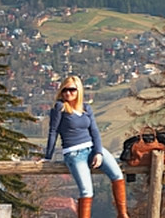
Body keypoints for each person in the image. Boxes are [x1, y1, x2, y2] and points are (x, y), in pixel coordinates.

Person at [43, 76, 131, 218]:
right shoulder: (60, 108)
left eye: (72, 90)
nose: (68, 93)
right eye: (65, 90)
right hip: (74, 153)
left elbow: (94, 131)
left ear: (79, 91)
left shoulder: (86, 108)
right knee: (87, 191)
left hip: (92, 148)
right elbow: (53, 131)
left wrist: (98, 152)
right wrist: (48, 156)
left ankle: (122, 214)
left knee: (117, 175)